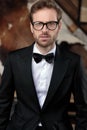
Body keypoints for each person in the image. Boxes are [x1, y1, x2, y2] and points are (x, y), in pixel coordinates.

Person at [0, 0, 87, 130]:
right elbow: (4, 102)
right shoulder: (14, 59)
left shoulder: (74, 61)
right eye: (39, 24)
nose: (44, 30)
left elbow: (83, 108)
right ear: (31, 27)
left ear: (59, 26)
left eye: (51, 24)